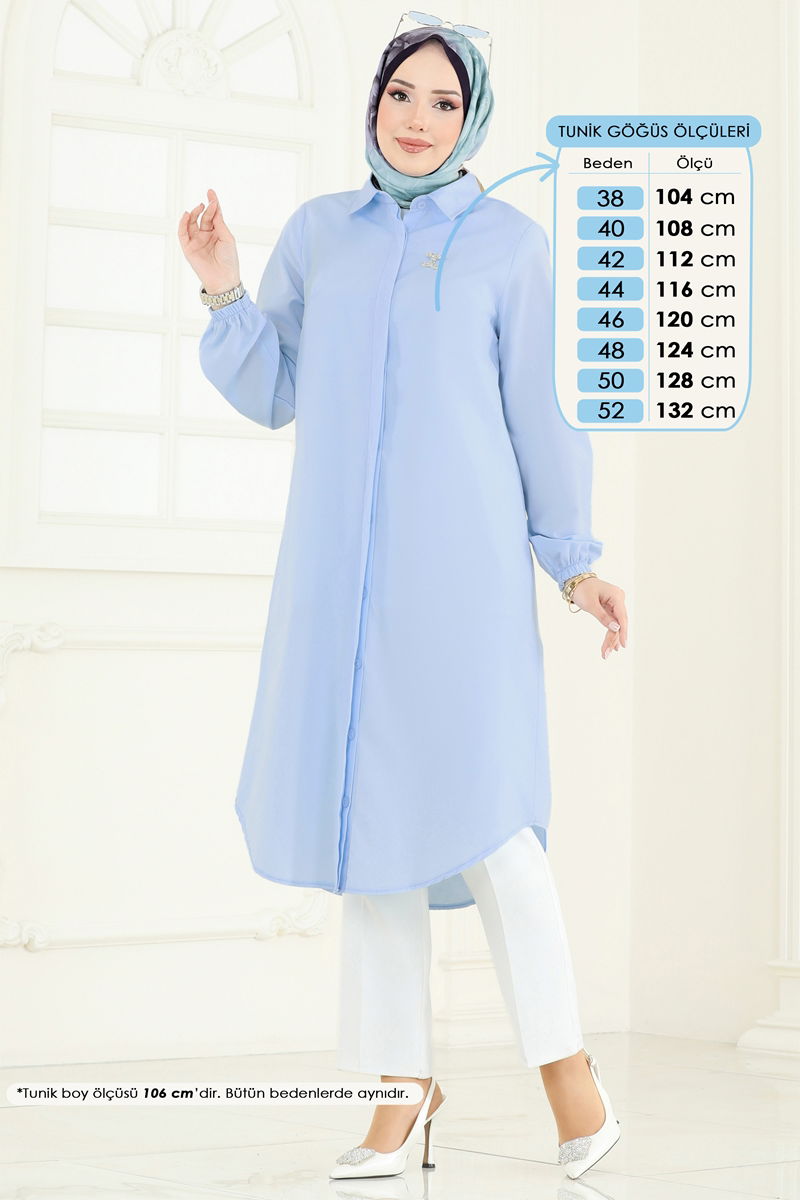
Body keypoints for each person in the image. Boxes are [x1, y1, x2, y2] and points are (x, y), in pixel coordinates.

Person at [178, 20, 627, 1183]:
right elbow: (274, 388)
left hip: (461, 581)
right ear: (373, 101)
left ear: (470, 118)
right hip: (340, 582)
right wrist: (222, 285)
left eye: (441, 101)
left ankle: (569, 1079)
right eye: (400, 94)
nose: (416, 118)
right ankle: (397, 1093)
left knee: (496, 833)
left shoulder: (508, 247)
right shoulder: (321, 234)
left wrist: (572, 563)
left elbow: (539, 412)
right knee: (369, 840)